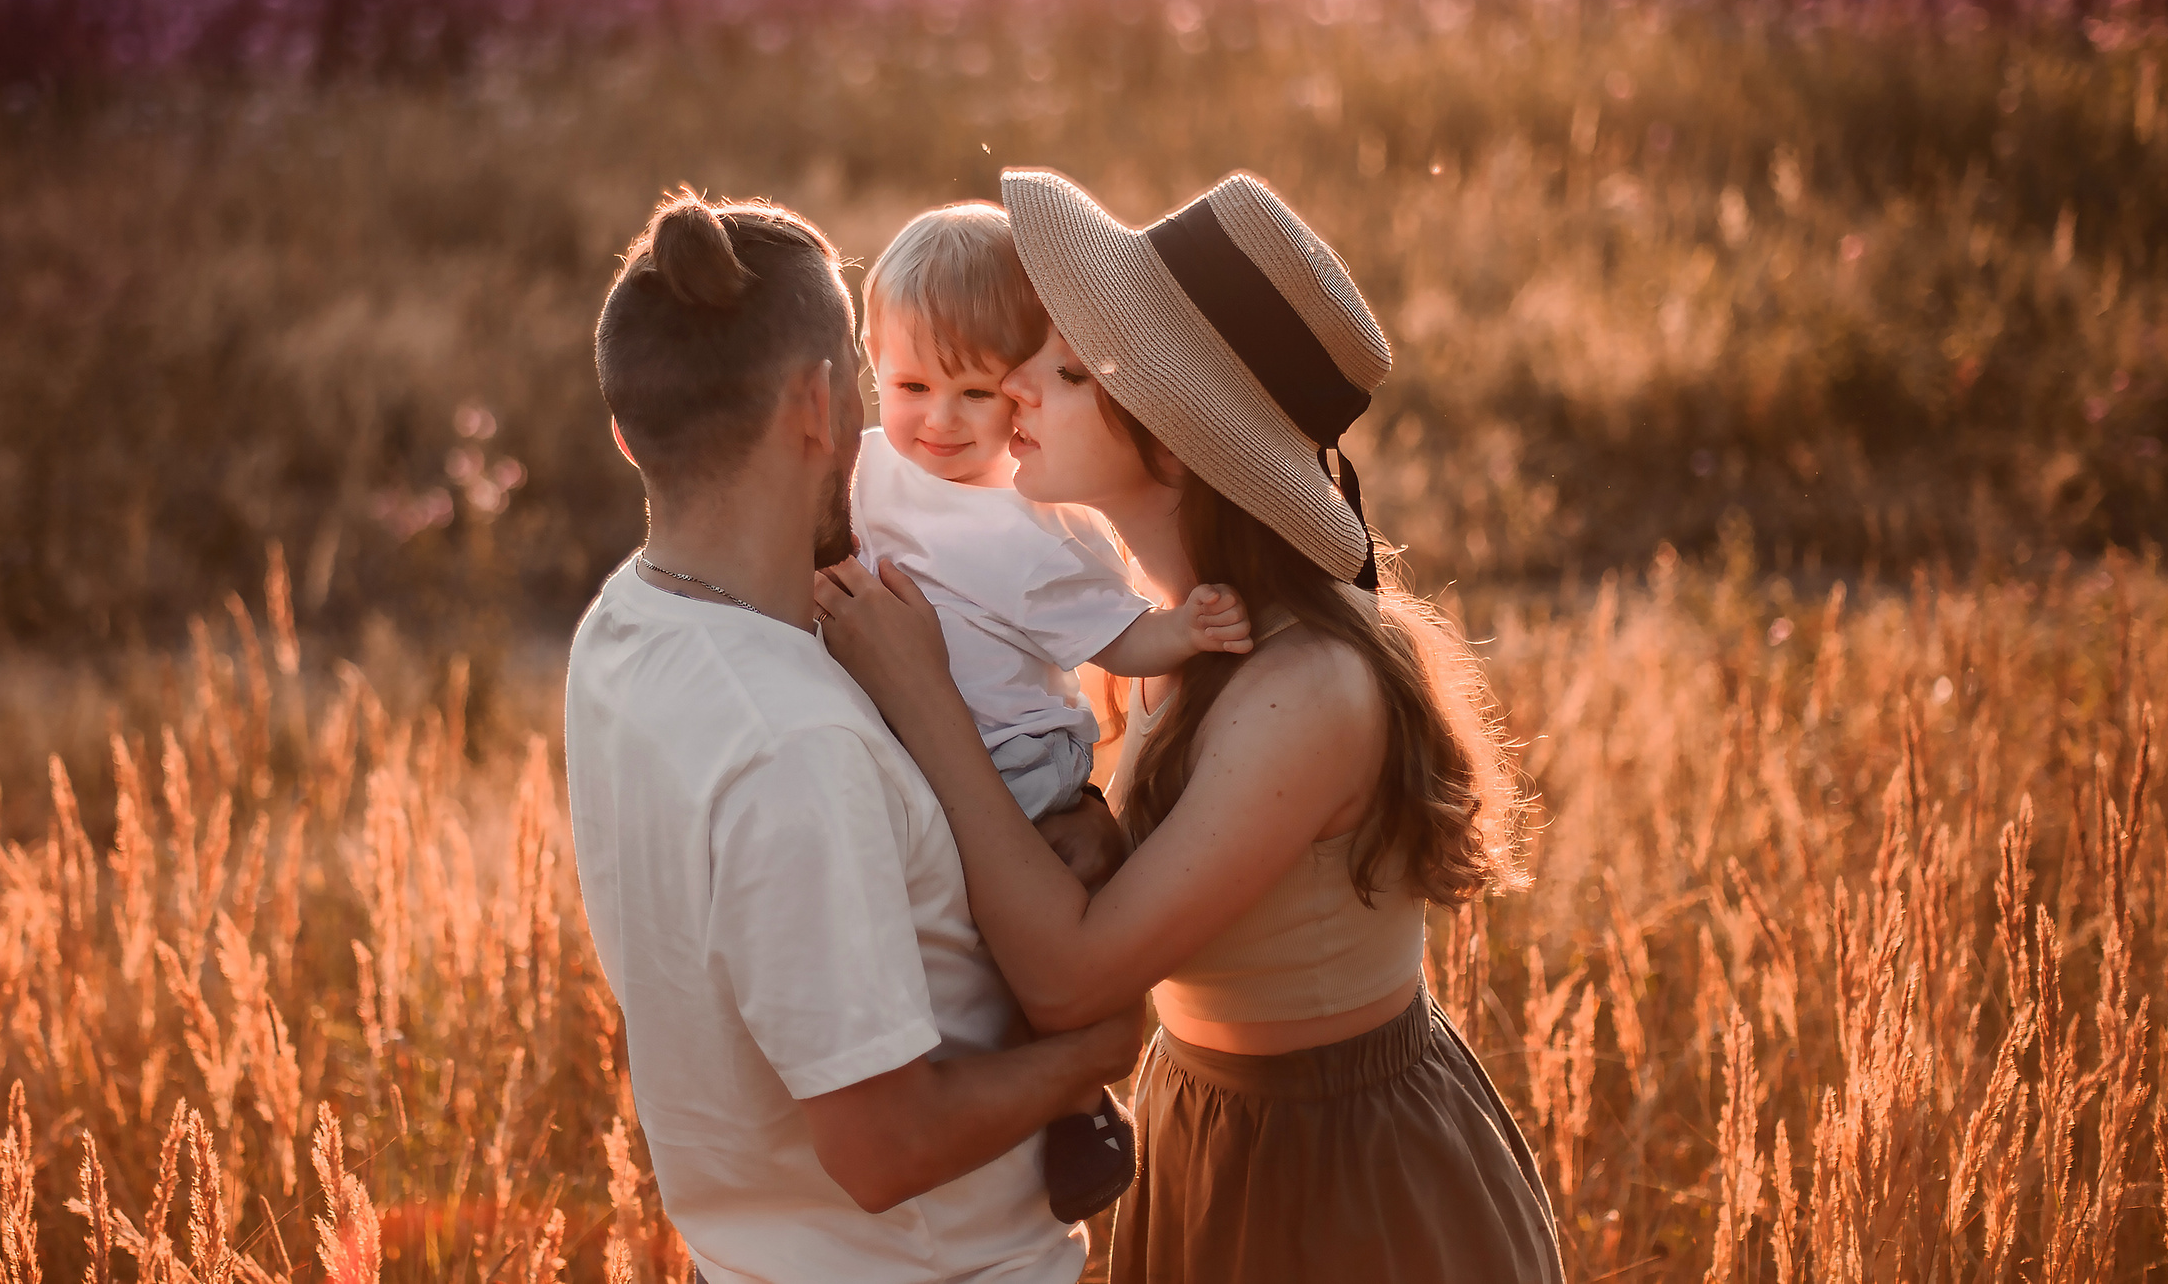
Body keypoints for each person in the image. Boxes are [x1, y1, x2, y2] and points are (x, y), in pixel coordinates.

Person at [816, 170, 1563, 1284]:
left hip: (1342, 1178)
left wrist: (924, 702)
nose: (1016, 382)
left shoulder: (1303, 689)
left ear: (1170, 445)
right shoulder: (1156, 631)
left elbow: (1074, 982)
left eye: (1067, 371)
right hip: (1210, 1128)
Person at [563, 188, 1142, 1284]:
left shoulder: (621, 633)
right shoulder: (798, 745)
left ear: (626, 429)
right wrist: (1093, 1053)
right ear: (822, 407)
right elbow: (884, 1146)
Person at [851, 200, 1256, 1218]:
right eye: (909, 387)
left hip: (1019, 765)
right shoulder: (863, 467)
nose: (936, 422)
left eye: (973, 394)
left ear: (1020, 393)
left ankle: (1076, 1098)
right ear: (871, 364)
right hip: (898, 750)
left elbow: (1114, 635)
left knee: (1040, 928)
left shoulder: (1034, 529)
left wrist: (1186, 630)